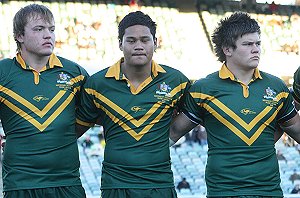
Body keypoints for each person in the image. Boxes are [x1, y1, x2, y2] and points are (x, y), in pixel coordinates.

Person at [169, 11, 300, 197]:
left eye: (258, 43)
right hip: (223, 192)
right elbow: (172, 134)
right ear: (227, 49)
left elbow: (296, 129)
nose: (256, 49)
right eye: (247, 44)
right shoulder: (203, 89)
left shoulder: (277, 87)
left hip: (268, 192)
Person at [75, 11, 190, 198]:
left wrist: (170, 136)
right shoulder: (96, 84)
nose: (138, 46)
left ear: (156, 42)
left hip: (159, 185)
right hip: (115, 186)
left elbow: (196, 114)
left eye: (145, 40)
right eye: (131, 40)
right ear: (120, 43)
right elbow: (74, 129)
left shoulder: (177, 81)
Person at [0, 4, 89, 198]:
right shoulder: (2, 72)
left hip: (67, 183)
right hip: (19, 185)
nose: (48, 35)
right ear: (19, 36)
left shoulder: (75, 73)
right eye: (39, 29)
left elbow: (96, 114)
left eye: (51, 29)